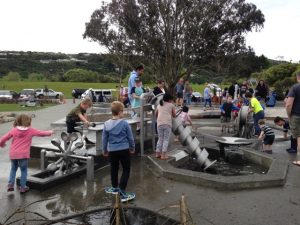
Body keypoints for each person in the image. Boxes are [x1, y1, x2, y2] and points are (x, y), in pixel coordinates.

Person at [0, 114, 53, 193]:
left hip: (13, 154)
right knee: (24, 170)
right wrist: (50, 132)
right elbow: (42, 133)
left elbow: (3, 138)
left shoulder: (14, 130)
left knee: (13, 169)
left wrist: (2, 144)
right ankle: (23, 187)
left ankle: (10, 185)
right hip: (23, 155)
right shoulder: (30, 130)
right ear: (28, 121)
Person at [102, 101, 135, 202]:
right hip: (124, 149)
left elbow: (104, 139)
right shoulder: (124, 123)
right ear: (120, 112)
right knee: (126, 169)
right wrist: (132, 147)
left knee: (114, 169)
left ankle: (115, 187)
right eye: (123, 111)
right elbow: (130, 137)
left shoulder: (106, 124)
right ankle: (122, 190)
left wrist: (105, 150)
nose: (123, 113)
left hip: (112, 150)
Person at [156, 93, 176, 159]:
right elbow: (174, 115)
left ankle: (157, 153)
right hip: (167, 123)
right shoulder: (171, 105)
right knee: (166, 139)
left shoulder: (159, 105)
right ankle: (163, 155)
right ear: (170, 99)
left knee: (160, 138)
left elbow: (156, 114)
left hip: (159, 123)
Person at [286, 72, 300, 165]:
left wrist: (289, 115)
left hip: (297, 116)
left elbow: (288, 104)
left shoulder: (295, 88)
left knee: (299, 137)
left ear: (298, 77)